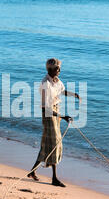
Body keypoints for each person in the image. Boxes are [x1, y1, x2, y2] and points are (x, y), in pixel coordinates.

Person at [27, 58, 80, 187]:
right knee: (55, 144)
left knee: (47, 144)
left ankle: (32, 172)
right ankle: (54, 178)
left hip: (56, 111)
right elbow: (46, 108)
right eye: (57, 68)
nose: (59, 70)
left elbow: (62, 91)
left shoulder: (56, 80)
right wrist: (63, 116)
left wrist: (74, 94)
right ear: (50, 69)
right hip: (49, 114)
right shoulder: (45, 84)